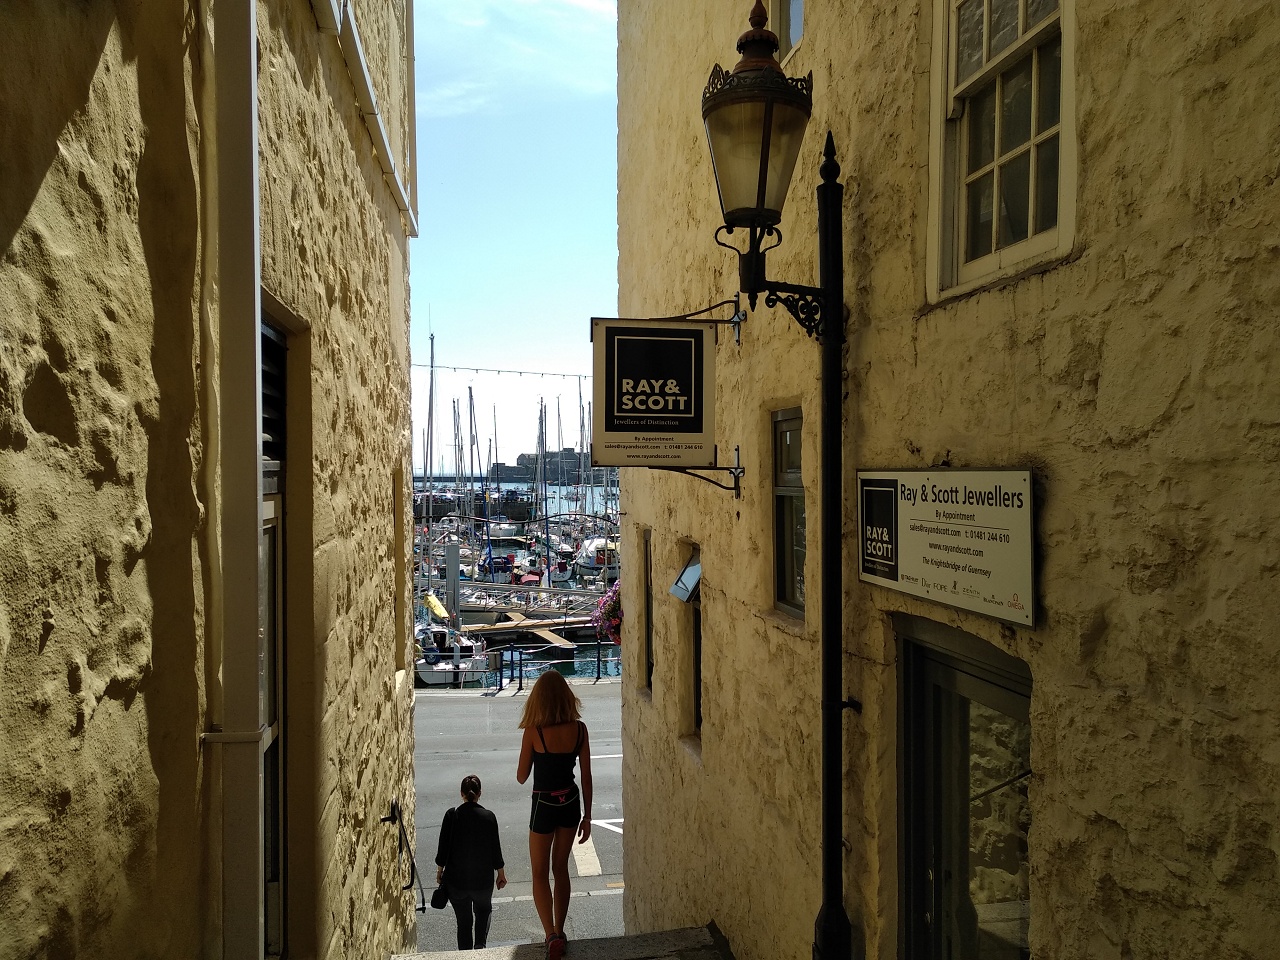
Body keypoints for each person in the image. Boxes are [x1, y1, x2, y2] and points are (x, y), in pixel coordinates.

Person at [516, 671, 593, 960]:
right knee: (560, 869)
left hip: (544, 805)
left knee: (538, 873)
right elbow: (586, 776)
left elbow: (522, 777)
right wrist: (588, 816)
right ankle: (560, 930)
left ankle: (549, 934)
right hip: (570, 803)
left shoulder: (534, 732)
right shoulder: (580, 730)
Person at [435, 774, 507, 950]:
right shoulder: (488, 817)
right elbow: (495, 850)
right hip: (482, 881)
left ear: (462, 793)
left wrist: (439, 872)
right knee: (483, 911)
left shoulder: (452, 816)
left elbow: (442, 850)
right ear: (479, 793)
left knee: (463, 923)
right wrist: (501, 874)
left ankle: (465, 954)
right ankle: (480, 946)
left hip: (456, 882)